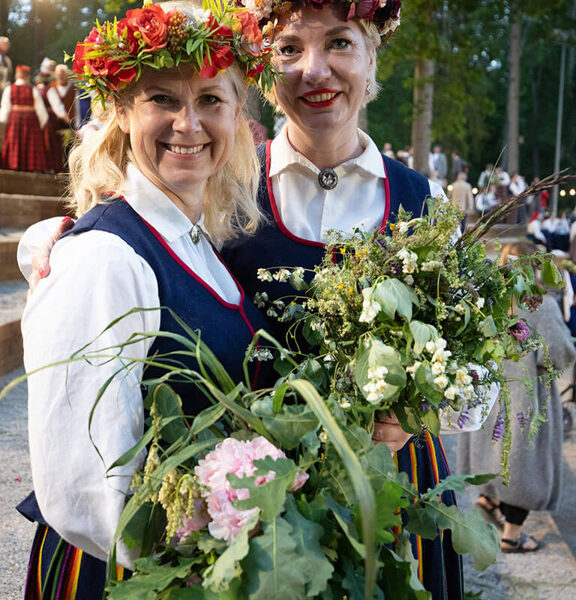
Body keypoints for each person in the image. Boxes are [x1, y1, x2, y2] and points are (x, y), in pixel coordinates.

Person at [220, 2, 496, 597]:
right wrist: (52, 237)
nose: (314, 70)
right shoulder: (224, 191)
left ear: (373, 57)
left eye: (340, 43)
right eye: (290, 48)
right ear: (265, 68)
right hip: (260, 492)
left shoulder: (426, 205)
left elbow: (481, 385)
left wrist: (420, 410)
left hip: (396, 490)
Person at [16, 2, 274, 598]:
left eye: (210, 99)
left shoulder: (196, 241)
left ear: (237, 115)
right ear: (123, 113)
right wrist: (201, 557)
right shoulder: (102, 258)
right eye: (162, 99)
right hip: (128, 574)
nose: (189, 124)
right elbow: (82, 484)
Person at [456, 241, 575, 553]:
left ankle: (488, 499)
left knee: (492, 452)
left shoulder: (489, 299)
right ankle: (511, 536)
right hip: (525, 395)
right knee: (525, 464)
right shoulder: (540, 304)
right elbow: (559, 354)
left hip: (489, 391)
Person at [0, 65, 49, 172]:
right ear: (28, 76)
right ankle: (30, 167)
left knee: (14, 142)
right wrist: (40, 125)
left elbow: (5, 108)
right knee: (31, 144)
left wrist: (4, 121)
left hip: (14, 121)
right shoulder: (33, 90)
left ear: (17, 75)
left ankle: (13, 164)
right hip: (31, 122)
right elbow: (41, 111)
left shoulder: (9, 89)